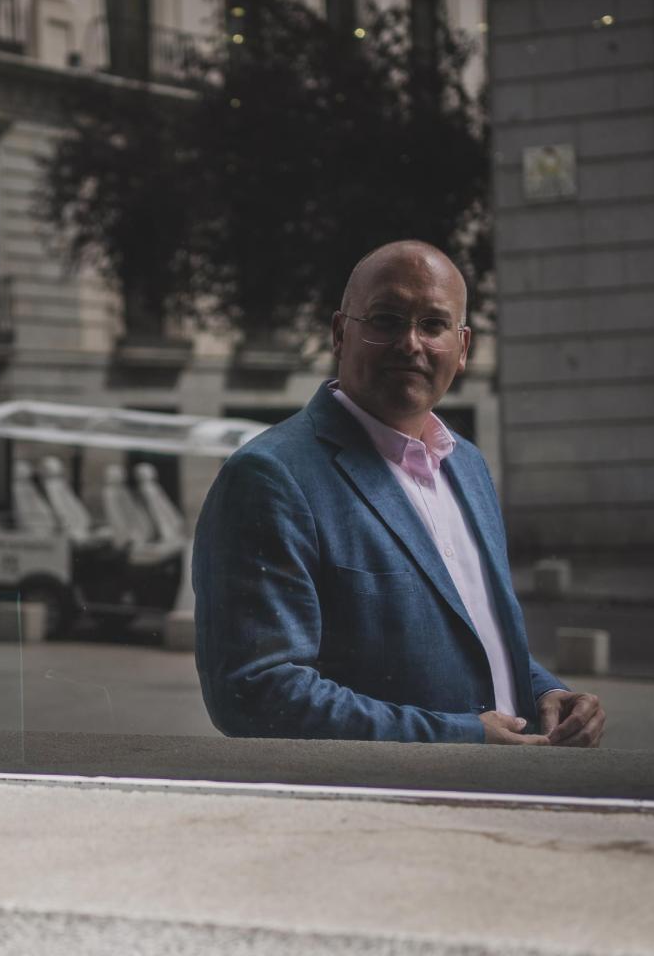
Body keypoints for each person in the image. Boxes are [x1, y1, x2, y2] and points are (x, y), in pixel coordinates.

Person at [192, 240, 605, 747]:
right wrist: (458, 738)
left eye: (433, 325)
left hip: (501, 799)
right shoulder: (269, 477)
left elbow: (469, 634)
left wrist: (545, 692)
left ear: (463, 346)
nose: (411, 344)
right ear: (341, 334)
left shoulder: (467, 464)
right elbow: (256, 693)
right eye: (386, 321)